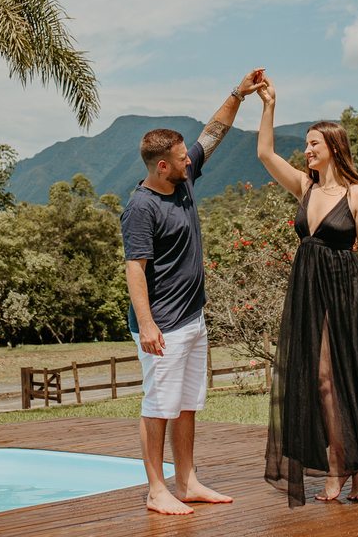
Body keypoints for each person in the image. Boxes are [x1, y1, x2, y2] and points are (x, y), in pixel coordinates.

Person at [255, 73, 358, 507]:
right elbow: (265, 152)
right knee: (320, 380)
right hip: (308, 289)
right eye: (305, 144)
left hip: (346, 290)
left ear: (334, 147)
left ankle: (354, 473)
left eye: (313, 144)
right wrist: (269, 105)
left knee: (349, 379)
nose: (306, 150)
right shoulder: (304, 187)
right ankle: (340, 464)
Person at [121, 69, 264, 515]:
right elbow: (135, 270)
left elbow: (213, 134)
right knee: (158, 405)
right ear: (161, 166)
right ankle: (155, 489)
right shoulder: (141, 207)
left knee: (185, 405)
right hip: (160, 323)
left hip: (192, 317)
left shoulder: (183, 182)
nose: (191, 161)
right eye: (183, 159)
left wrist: (238, 94)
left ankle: (186, 481)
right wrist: (146, 325)